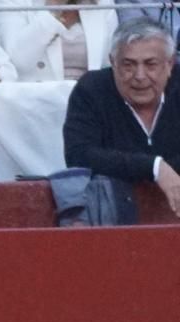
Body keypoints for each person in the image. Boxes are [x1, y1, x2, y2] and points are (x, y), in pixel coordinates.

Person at [63, 17, 180, 216]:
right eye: (128, 65)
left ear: (169, 64)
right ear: (113, 62)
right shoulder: (91, 89)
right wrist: (154, 167)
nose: (140, 76)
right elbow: (79, 155)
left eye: (150, 64)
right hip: (111, 214)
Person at [0, 0, 117, 81]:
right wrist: (55, 15)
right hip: (36, 102)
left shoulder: (102, 4)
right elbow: (17, 61)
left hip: (89, 102)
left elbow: (110, 64)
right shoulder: (12, 2)